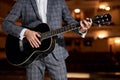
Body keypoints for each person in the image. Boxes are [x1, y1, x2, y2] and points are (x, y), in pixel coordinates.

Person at [2, 0, 92, 80]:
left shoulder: (59, 1)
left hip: (57, 53)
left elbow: (70, 21)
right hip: (32, 54)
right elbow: (6, 24)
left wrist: (82, 29)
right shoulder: (23, 1)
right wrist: (26, 32)